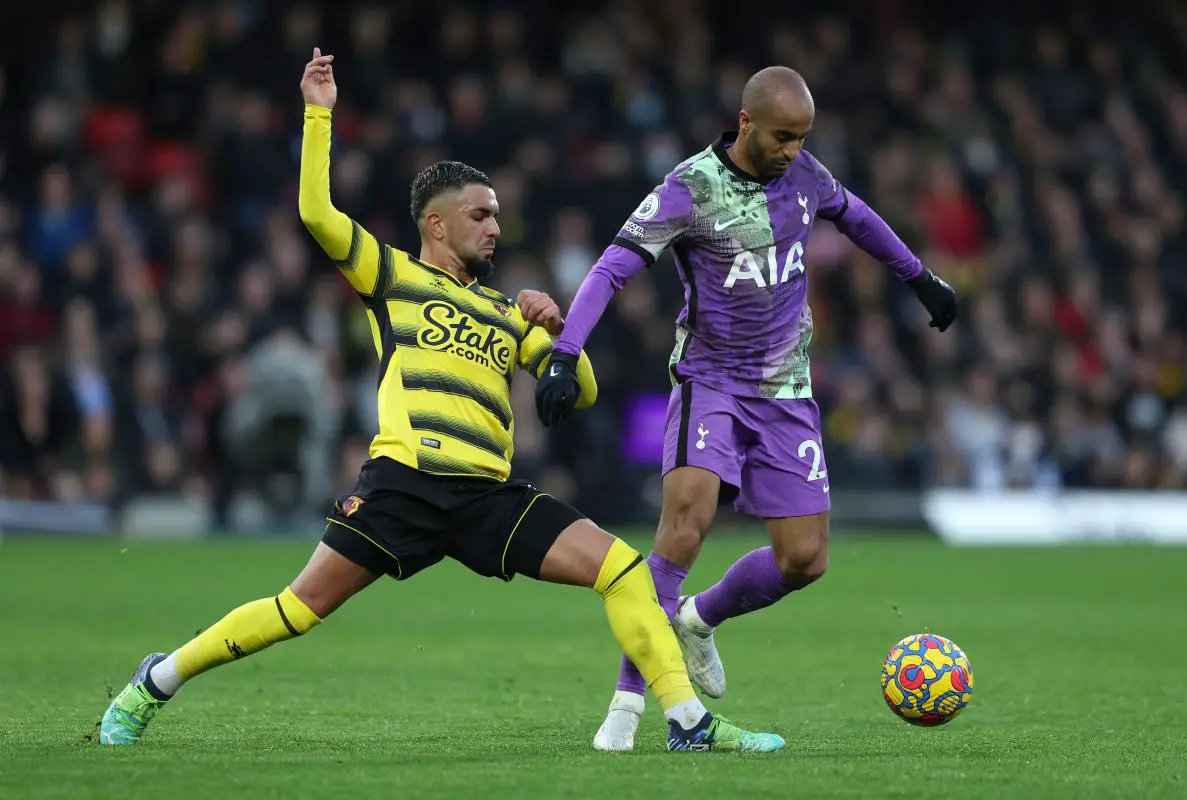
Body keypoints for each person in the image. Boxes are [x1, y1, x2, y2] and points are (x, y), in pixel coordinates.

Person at [98, 49, 785, 755]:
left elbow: (580, 393)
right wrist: (317, 114)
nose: (495, 227)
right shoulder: (389, 274)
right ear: (436, 225)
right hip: (406, 485)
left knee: (621, 568)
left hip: (487, 496)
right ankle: (156, 680)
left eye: (497, 216)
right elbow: (314, 211)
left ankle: (687, 722)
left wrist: (557, 337)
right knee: (296, 611)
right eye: (481, 215)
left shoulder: (505, 311)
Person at [535, 66, 958, 751]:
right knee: (684, 527)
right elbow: (614, 264)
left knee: (805, 559)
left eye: (802, 139)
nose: (794, 150)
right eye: (784, 137)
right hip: (710, 383)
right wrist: (564, 352)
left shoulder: (807, 176)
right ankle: (628, 708)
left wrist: (921, 278)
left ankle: (699, 619)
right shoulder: (689, 187)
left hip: (787, 392)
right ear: (746, 122)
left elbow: (858, 217)